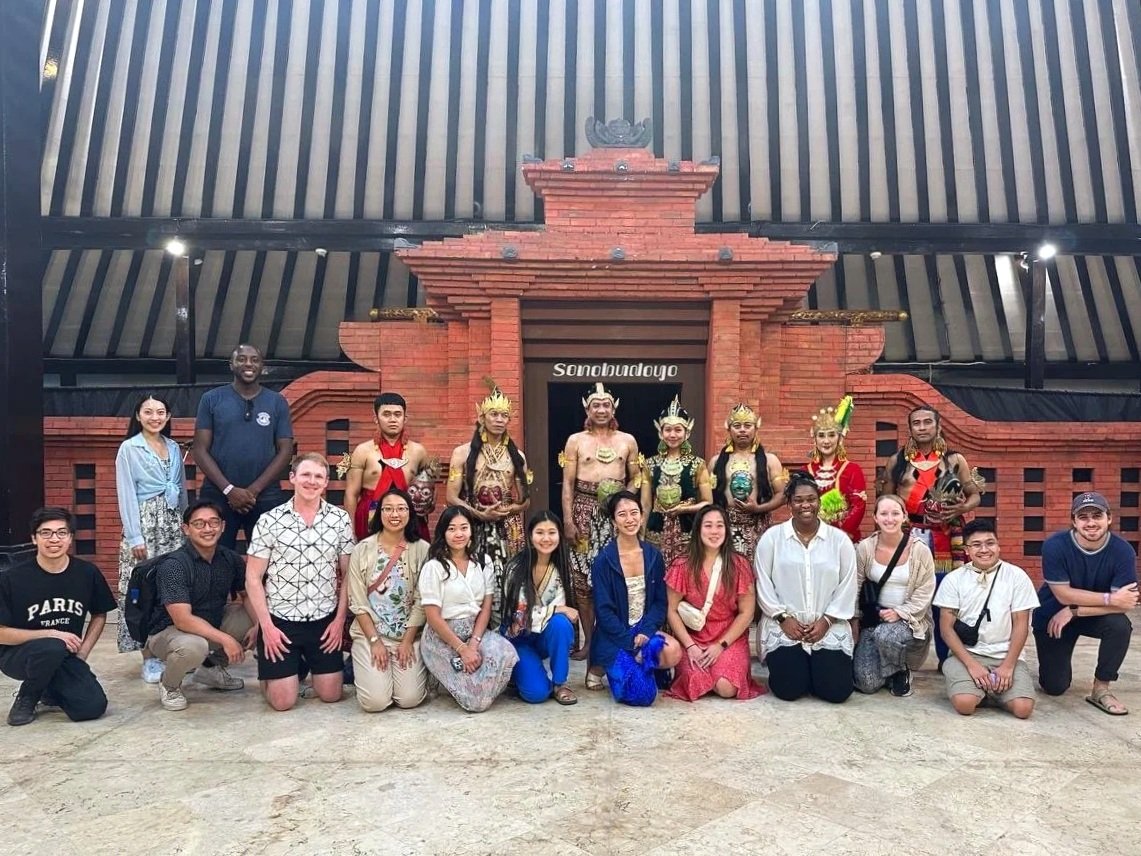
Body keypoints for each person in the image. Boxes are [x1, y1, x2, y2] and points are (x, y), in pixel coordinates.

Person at [244, 453, 355, 711]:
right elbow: (253, 578)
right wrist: (266, 627)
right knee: (283, 702)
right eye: (306, 475)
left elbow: (349, 574)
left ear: (326, 482)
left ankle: (299, 665)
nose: (312, 481)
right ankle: (272, 668)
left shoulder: (339, 520)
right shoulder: (269, 520)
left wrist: (339, 621)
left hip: (323, 618)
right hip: (281, 620)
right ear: (292, 478)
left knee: (331, 695)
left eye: (319, 477)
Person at [880, 405, 982, 665]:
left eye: (928, 422)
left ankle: (947, 659)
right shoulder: (897, 461)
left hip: (944, 538)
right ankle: (901, 659)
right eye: (917, 423)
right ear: (910, 428)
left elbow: (975, 494)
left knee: (944, 597)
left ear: (938, 426)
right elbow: (885, 498)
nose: (922, 427)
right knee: (905, 594)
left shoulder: (954, 461)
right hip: (908, 536)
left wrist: (960, 508)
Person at [0, 508, 116, 726]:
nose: (54, 539)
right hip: (18, 656)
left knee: (91, 707)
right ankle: (28, 695)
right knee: (52, 646)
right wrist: (51, 633)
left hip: (65, 655)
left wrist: (82, 653)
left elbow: (100, 613)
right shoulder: (11, 578)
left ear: (70, 538)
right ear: (34, 538)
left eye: (61, 533)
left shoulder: (86, 573)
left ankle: (49, 687)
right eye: (46, 533)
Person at [754, 472, 857, 703]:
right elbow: (763, 582)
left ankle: (817, 668)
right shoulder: (772, 538)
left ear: (819, 501)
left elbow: (848, 585)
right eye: (798, 500)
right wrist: (783, 618)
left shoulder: (839, 541)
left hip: (827, 625)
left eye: (811, 499)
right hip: (785, 626)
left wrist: (826, 621)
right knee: (789, 690)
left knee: (836, 692)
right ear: (789, 504)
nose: (805, 505)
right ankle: (799, 667)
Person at [1033, 492, 1139, 715]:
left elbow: (1126, 603)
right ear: (1074, 521)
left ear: (1109, 519)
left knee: (1120, 625)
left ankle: (1101, 688)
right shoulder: (1055, 545)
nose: (1091, 522)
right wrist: (1110, 599)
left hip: (1085, 615)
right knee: (1054, 687)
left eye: (1097, 516)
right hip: (1053, 616)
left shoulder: (1123, 551)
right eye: (1083, 517)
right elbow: (1062, 594)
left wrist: (1075, 610)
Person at [146, 500, 257, 711]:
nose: (208, 529)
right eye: (199, 524)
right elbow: (182, 619)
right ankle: (169, 684)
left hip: (209, 624)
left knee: (256, 618)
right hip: (168, 633)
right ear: (186, 529)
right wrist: (226, 639)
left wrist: (259, 626)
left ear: (223, 526)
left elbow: (247, 596)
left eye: (213, 522)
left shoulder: (230, 559)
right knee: (194, 646)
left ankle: (210, 669)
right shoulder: (174, 565)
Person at [560, 382, 642, 660]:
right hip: (583, 512)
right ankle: (588, 641)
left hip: (615, 515)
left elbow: (637, 477)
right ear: (587, 408)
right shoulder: (575, 441)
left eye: (606, 405)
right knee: (582, 582)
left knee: (615, 576)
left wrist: (623, 499)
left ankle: (616, 638)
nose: (601, 410)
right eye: (596, 405)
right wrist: (568, 520)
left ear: (613, 408)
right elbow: (568, 484)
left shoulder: (627, 440)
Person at [114, 393, 187, 683]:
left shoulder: (173, 447)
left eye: (161, 412)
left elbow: (181, 489)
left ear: (168, 417)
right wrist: (135, 536)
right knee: (141, 590)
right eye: (148, 412)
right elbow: (126, 493)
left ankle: (171, 649)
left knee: (170, 587)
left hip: (172, 524)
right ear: (137, 416)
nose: (155, 417)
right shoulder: (129, 449)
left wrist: (186, 525)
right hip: (145, 524)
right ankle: (147, 655)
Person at [192, 344, 294, 550]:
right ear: (231, 365)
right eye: (242, 359)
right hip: (218, 494)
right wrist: (229, 490)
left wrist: (253, 491)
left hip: (266, 496)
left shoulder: (277, 402)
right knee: (213, 560)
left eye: (255, 360)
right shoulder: (211, 399)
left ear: (262, 366)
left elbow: (285, 450)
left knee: (271, 562)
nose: (248, 364)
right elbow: (200, 450)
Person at [933, 519, 1038, 719]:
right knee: (965, 705)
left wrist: (1008, 666)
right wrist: (972, 665)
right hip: (967, 655)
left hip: (1004, 655)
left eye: (990, 543)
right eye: (976, 545)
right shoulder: (954, 579)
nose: (984, 549)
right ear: (967, 550)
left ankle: (992, 690)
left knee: (1023, 709)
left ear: (998, 546)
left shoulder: (1017, 576)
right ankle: (981, 689)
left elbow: (1021, 625)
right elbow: (946, 629)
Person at [417, 507, 519, 712]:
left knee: (506, 652)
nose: (458, 534)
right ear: (443, 533)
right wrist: (462, 649)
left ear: (471, 530)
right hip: (442, 638)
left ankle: (472, 682)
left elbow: (485, 607)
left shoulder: (483, 562)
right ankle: (452, 679)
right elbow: (433, 616)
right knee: (476, 703)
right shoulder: (434, 566)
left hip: (475, 633)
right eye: (452, 529)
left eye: (464, 528)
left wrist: (473, 643)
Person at [446, 384, 531, 627]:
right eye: (494, 414)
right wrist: (478, 513)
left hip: (508, 529)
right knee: (472, 581)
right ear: (481, 416)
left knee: (509, 581)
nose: (499, 419)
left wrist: (510, 510)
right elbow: (451, 497)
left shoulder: (518, 456)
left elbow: (525, 500)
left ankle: (507, 634)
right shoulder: (461, 453)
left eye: (504, 415)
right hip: (472, 526)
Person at [587, 490, 683, 697]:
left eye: (634, 512)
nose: (629, 519)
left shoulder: (653, 556)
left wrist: (646, 632)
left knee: (673, 651)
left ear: (641, 515)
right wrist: (630, 642)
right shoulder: (603, 560)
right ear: (613, 521)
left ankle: (639, 664)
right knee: (642, 695)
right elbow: (603, 612)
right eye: (622, 514)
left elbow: (659, 602)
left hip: (642, 630)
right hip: (615, 634)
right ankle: (600, 665)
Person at [665, 505, 763, 701]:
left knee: (727, 688)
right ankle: (706, 672)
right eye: (708, 526)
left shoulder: (739, 565)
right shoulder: (682, 565)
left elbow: (747, 613)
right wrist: (690, 646)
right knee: (695, 684)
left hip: (728, 637)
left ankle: (719, 672)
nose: (714, 531)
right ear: (698, 530)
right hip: (693, 637)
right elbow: (671, 610)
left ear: (727, 530)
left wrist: (721, 645)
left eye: (719, 526)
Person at [346, 486, 430, 712]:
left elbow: (423, 601)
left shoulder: (423, 550)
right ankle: (374, 674)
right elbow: (358, 601)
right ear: (378, 513)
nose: (395, 514)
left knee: (409, 699)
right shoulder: (362, 549)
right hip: (371, 634)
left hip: (408, 636)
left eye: (401, 509)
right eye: (388, 509)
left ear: (410, 513)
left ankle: (406, 674)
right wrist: (374, 642)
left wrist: (406, 641)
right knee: (376, 702)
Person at [852, 494, 935, 697]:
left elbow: (925, 591)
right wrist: (854, 619)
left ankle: (900, 670)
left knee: (886, 635)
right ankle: (888, 667)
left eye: (895, 513)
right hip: (873, 619)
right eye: (884, 514)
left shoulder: (920, 551)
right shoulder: (865, 548)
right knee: (867, 684)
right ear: (875, 517)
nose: (890, 519)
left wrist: (900, 612)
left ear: (905, 516)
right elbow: (855, 584)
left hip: (909, 620)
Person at [500, 512, 580, 705]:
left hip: (542, 635)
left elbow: (560, 612)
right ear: (530, 536)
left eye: (552, 532)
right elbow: (519, 617)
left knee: (561, 625)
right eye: (540, 532)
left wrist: (558, 611)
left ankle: (560, 683)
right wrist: (557, 610)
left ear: (560, 536)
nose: (546, 538)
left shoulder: (560, 568)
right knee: (536, 694)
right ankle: (518, 673)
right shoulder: (515, 568)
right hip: (518, 637)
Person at [341, 392, 429, 541]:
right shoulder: (363, 450)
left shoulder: (419, 451)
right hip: (370, 515)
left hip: (407, 514)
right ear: (376, 418)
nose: (393, 419)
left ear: (405, 418)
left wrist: (426, 506)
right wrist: (351, 532)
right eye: (386, 414)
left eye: (397, 414)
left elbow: (427, 490)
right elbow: (351, 494)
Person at [641, 395, 712, 566]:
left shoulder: (698, 464)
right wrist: (641, 536)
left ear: (687, 433)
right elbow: (645, 504)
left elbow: (708, 503)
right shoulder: (650, 464)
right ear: (660, 432)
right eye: (668, 430)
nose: (672, 434)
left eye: (678, 430)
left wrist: (684, 509)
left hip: (687, 531)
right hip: (656, 530)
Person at [708, 402, 785, 559]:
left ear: (756, 428)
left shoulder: (770, 460)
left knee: (757, 573)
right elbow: (708, 498)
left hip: (758, 525)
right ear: (728, 429)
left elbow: (782, 495)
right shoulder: (716, 461)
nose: (742, 430)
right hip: (725, 527)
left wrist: (758, 508)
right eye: (737, 425)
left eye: (747, 425)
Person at [806, 395, 867, 542]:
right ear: (815, 439)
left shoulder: (853, 469)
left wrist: (842, 533)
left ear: (839, 439)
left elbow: (858, 505)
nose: (826, 441)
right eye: (821, 436)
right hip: (813, 537)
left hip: (845, 537)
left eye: (831, 435)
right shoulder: (804, 471)